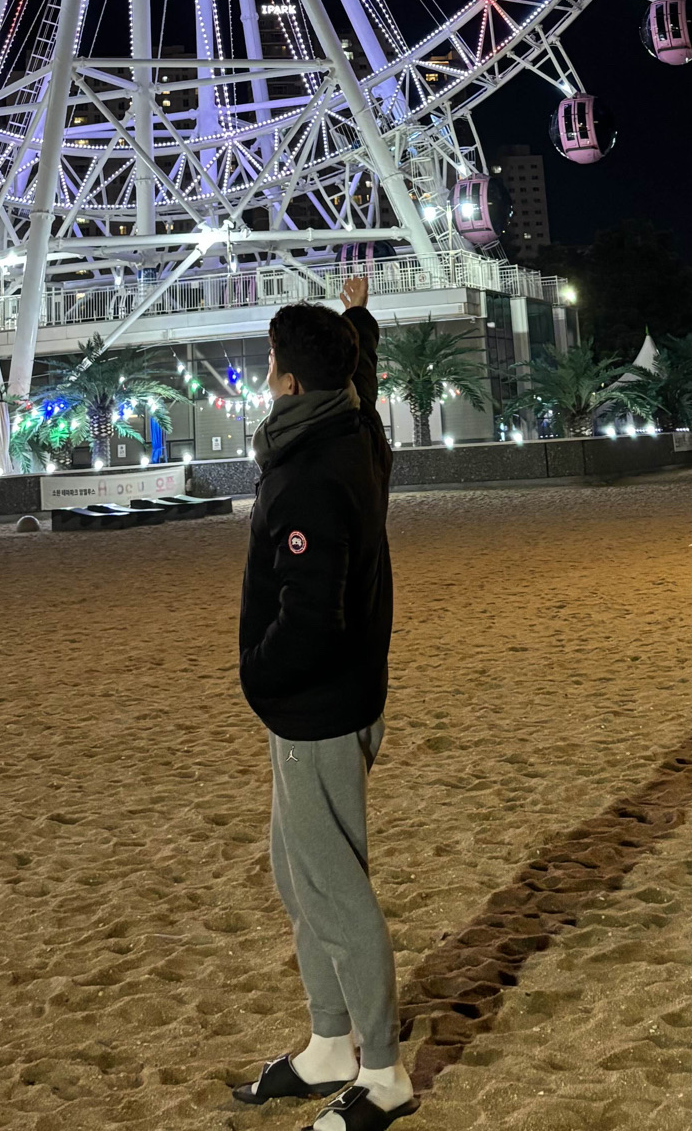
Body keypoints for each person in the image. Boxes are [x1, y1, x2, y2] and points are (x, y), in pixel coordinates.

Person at [231, 275, 415, 1129]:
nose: (265, 372)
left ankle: (381, 1074)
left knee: (333, 888)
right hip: (331, 697)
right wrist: (357, 320)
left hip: (318, 703)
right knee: (296, 874)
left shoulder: (309, 475)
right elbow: (360, 380)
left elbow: (311, 613)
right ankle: (328, 1044)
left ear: (287, 380)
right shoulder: (357, 428)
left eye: (270, 362)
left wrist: (259, 677)